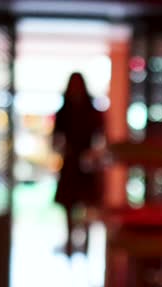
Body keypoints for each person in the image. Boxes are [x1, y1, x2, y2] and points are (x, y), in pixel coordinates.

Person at [52, 72, 105, 261]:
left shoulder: (92, 111)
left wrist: (92, 156)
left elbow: (100, 138)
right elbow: (56, 139)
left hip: (87, 168)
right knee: (69, 209)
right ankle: (69, 247)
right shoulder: (64, 111)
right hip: (70, 166)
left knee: (87, 210)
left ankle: (86, 249)